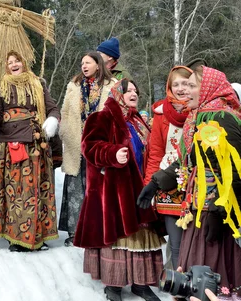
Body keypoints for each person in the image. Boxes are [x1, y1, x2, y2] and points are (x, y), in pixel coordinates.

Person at [143, 66, 241, 297]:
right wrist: (156, 183)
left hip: (214, 213)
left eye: (193, 86)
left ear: (207, 89)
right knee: (193, 272)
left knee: (208, 274)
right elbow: (188, 161)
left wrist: (218, 210)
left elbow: (237, 171)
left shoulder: (223, 118)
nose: (187, 91)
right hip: (197, 210)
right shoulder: (199, 116)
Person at [75, 79, 164, 301]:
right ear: (117, 94)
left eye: (136, 90)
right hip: (112, 190)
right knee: (118, 236)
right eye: (128, 90)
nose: (134, 93)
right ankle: (113, 285)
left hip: (140, 185)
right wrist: (112, 153)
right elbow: (89, 147)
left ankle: (140, 284)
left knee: (141, 233)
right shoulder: (102, 117)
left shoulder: (139, 121)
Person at [0, 50, 60, 251]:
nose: (14, 64)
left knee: (35, 190)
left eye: (17, 61)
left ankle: (38, 236)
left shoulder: (38, 84)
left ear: (24, 63)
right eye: (10, 62)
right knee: (15, 192)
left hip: (35, 143)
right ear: (6, 67)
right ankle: (16, 237)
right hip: (10, 146)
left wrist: (52, 120)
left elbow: (53, 108)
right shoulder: (2, 87)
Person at [58, 51, 116, 246]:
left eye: (88, 62)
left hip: (99, 145)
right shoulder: (74, 86)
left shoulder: (112, 86)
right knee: (76, 189)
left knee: (97, 188)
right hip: (76, 144)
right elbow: (65, 111)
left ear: (98, 65)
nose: (84, 66)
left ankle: (98, 230)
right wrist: (65, 131)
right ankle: (75, 233)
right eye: (82, 63)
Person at [137, 66, 192, 270]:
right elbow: (155, 154)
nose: (180, 89)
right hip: (167, 184)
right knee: (176, 243)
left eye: (185, 83)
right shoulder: (161, 115)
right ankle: (178, 286)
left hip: (195, 183)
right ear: (169, 88)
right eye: (175, 84)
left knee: (195, 240)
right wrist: (150, 185)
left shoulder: (199, 111)